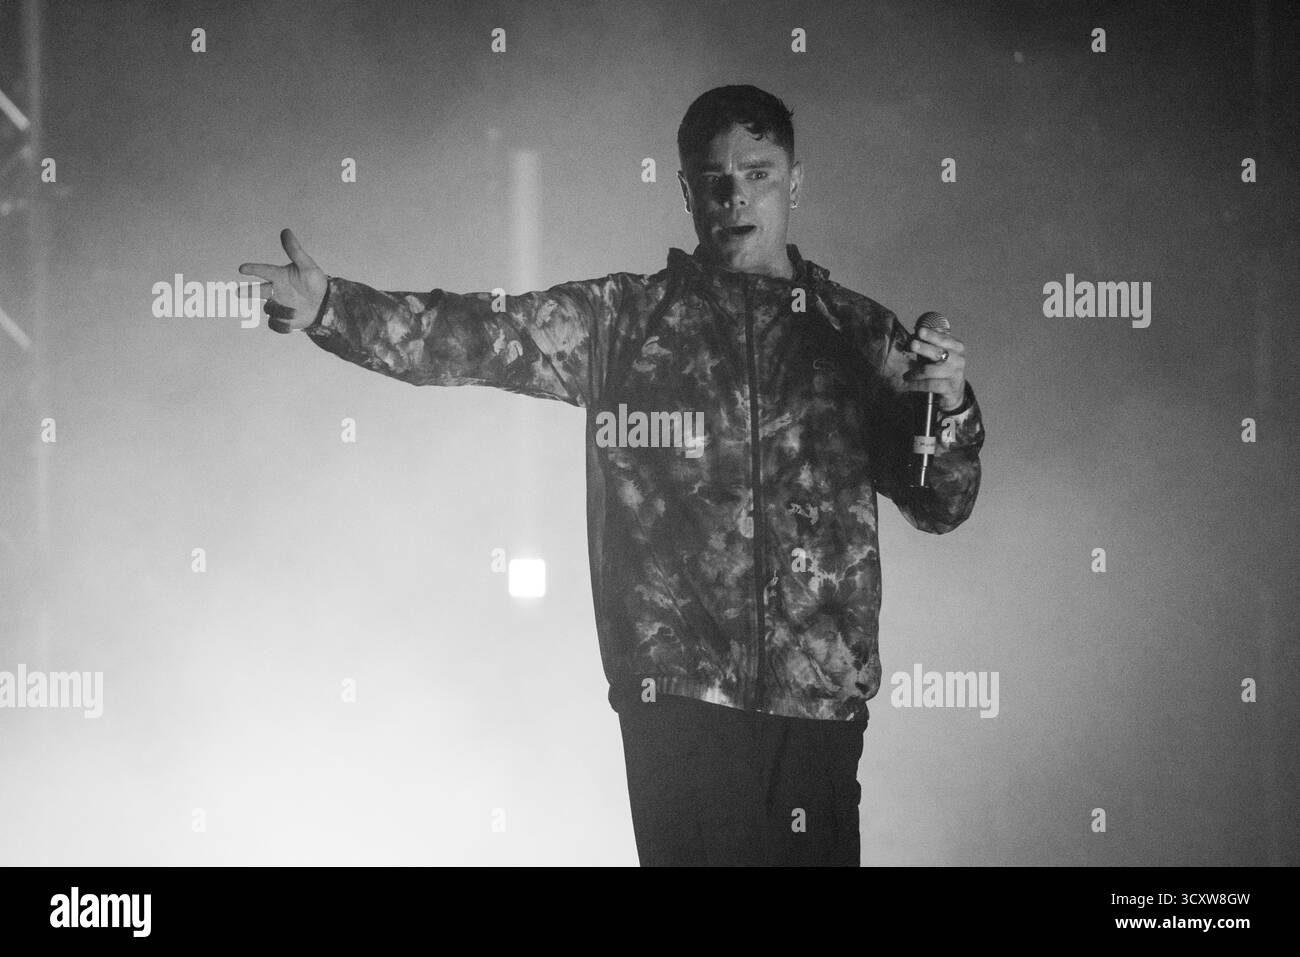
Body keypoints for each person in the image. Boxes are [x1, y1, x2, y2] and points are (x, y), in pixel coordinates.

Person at [239, 84, 985, 866]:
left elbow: (939, 504)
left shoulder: (859, 333)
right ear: (688, 191)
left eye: (758, 172)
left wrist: (952, 406)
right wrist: (332, 307)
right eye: (716, 177)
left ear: (793, 184)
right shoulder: (624, 321)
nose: (737, 195)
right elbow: (478, 335)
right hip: (681, 698)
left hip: (820, 706)